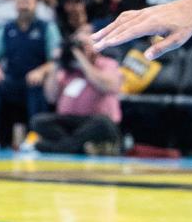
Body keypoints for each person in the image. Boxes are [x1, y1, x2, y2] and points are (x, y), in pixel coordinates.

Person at [0, 0, 59, 150]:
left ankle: (35, 134)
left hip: (36, 78)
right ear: (15, 6)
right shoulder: (6, 28)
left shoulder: (46, 28)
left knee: (35, 84)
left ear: (35, 5)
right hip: (12, 77)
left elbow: (55, 60)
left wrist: (41, 71)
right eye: (20, 3)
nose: (24, 7)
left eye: (27, 3)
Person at [26, 25, 122, 154]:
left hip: (95, 122)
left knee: (102, 123)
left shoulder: (107, 63)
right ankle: (79, 147)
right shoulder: (68, 70)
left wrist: (81, 59)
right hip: (69, 122)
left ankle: (59, 147)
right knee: (39, 121)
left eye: (83, 45)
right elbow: (51, 96)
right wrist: (56, 62)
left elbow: (108, 86)